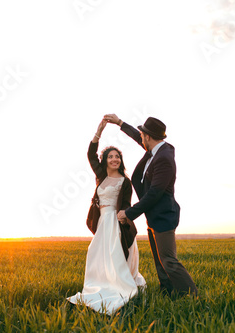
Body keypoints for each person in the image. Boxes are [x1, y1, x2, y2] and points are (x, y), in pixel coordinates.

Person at [104, 114, 198, 297]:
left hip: (163, 216)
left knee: (168, 261)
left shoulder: (163, 158)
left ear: (148, 137)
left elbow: (155, 193)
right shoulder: (156, 150)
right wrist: (120, 123)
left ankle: (193, 296)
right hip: (153, 216)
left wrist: (129, 213)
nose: (141, 138)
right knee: (159, 260)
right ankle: (167, 291)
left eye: (142, 135)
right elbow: (136, 136)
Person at [67, 119, 146, 315]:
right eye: (110, 157)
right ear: (105, 161)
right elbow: (90, 155)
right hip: (102, 222)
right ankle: (98, 285)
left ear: (121, 160)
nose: (114, 159)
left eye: (117, 157)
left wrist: (124, 215)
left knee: (115, 255)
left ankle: (118, 286)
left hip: (116, 223)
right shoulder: (101, 176)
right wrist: (98, 132)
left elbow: (127, 204)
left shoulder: (125, 181)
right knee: (96, 253)